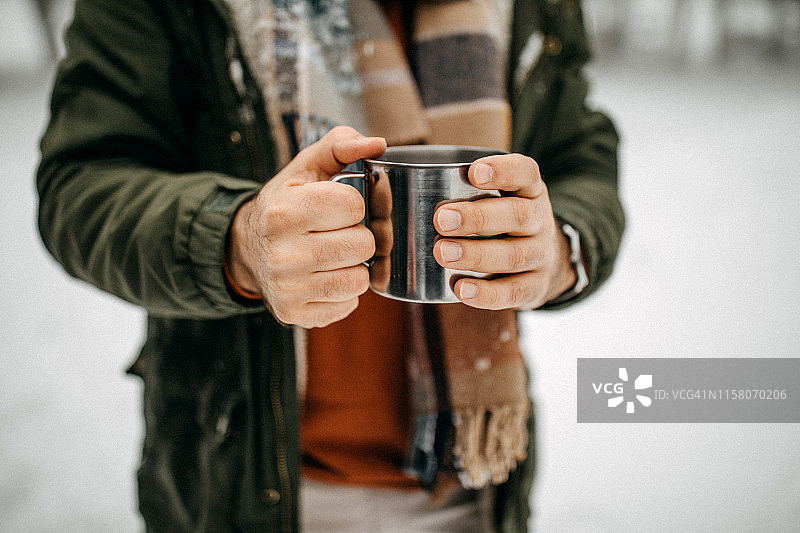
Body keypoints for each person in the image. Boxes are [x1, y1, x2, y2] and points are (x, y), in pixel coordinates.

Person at [36, 0, 624, 531]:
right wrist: (236, 241)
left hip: (473, 490)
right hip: (241, 487)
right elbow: (81, 184)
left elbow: (580, 157)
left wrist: (559, 248)